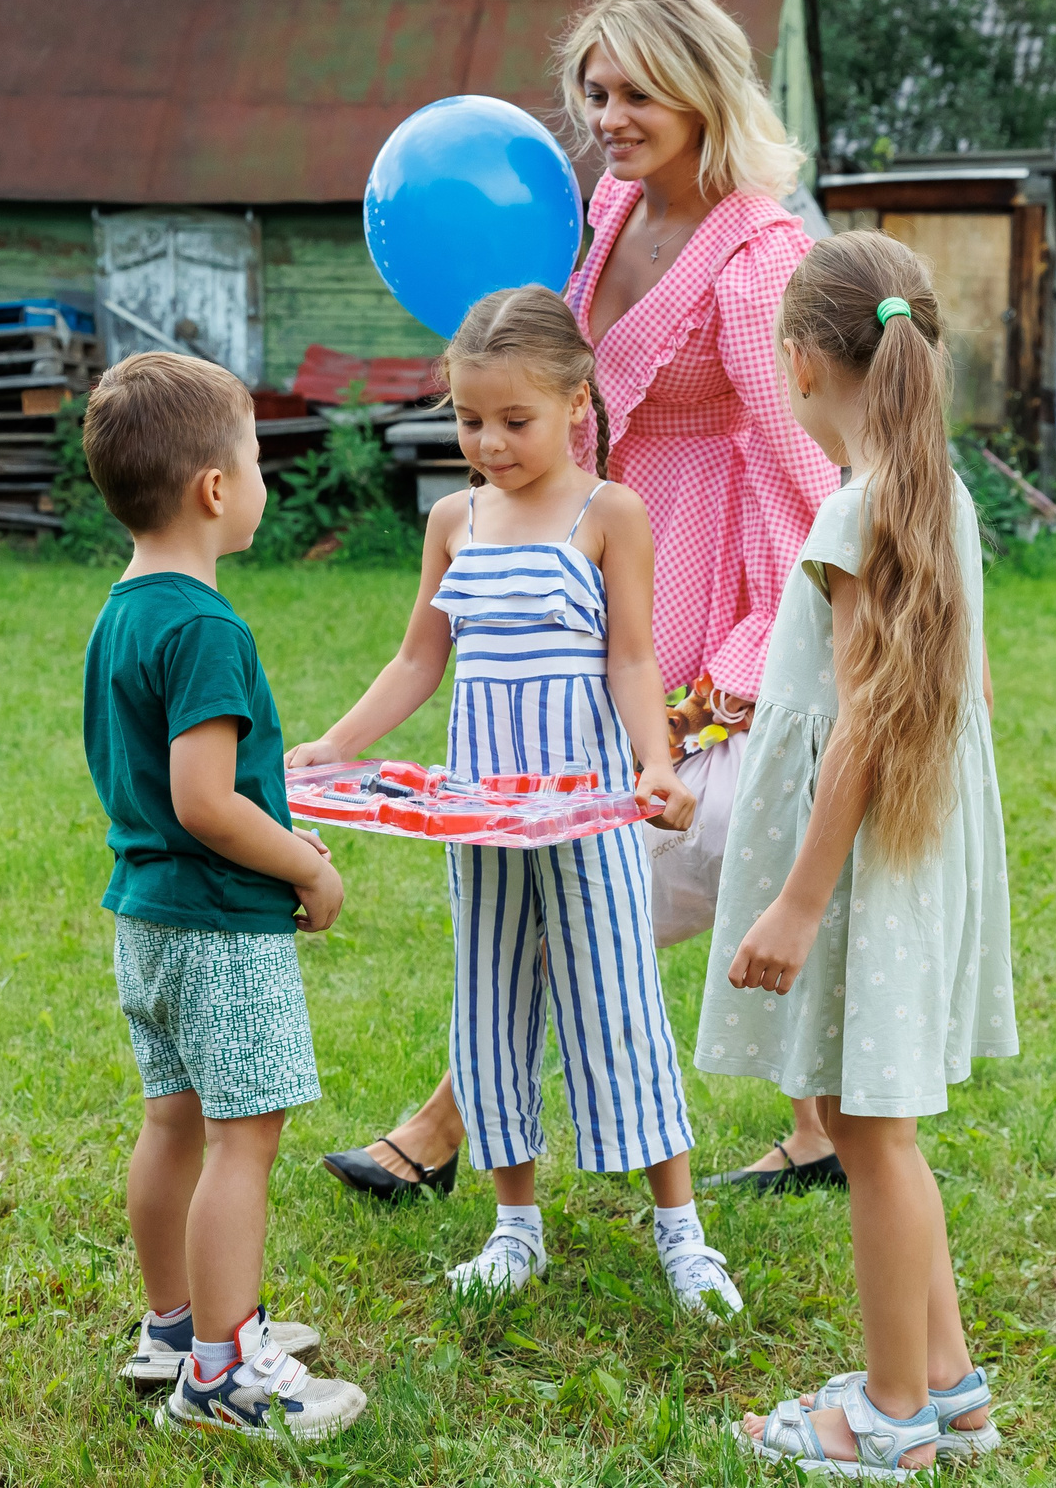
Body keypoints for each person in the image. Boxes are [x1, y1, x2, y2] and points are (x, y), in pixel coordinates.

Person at [322, 0, 842, 1205]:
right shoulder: (604, 207)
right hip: (607, 554)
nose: (608, 115)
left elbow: (806, 453)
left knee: (630, 854)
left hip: (733, 571)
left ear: (700, 86)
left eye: (636, 90)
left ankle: (444, 1126)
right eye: (593, 90)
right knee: (658, 847)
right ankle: (816, 1128)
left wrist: (859, 602)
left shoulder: (763, 253)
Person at [286, 288, 740, 1315]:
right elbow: (417, 661)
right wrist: (337, 744)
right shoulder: (452, 520)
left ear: (578, 402)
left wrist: (655, 766)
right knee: (488, 1007)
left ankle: (681, 1231)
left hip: (585, 809)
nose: (487, 443)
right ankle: (513, 1226)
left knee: (617, 1004)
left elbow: (632, 657)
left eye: (513, 421)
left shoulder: (609, 512)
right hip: (478, 814)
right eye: (467, 419)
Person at [705, 233, 1017, 1475]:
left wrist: (793, 901)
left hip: (860, 864)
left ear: (795, 364)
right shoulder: (935, 493)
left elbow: (866, 727)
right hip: (908, 854)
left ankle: (887, 1417)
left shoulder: (855, 507)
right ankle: (949, 1388)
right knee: (871, 1117)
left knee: (867, 1130)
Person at [78, 351, 364, 1441]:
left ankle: (173, 1324)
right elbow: (206, 800)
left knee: (174, 1123)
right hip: (218, 925)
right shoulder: (206, 628)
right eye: (252, 461)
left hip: (145, 918)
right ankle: (223, 1372)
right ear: (212, 488)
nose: (261, 481)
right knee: (245, 1138)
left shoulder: (123, 612)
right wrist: (305, 862)